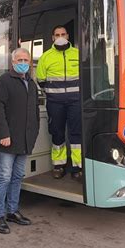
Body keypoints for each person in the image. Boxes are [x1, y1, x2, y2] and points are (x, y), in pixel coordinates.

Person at [0, 48, 40, 234]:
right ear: (12, 62)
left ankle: (12, 211)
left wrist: (33, 134)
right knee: (4, 177)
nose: (24, 62)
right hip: (7, 141)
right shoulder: (4, 81)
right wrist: (3, 134)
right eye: (20, 59)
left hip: (24, 141)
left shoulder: (31, 83)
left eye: (26, 59)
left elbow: (34, 111)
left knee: (18, 177)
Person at [36, 25, 82, 180]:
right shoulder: (46, 57)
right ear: (52, 38)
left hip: (76, 102)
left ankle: (77, 166)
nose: (60, 36)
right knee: (57, 133)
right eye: (57, 34)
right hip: (55, 103)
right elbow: (40, 79)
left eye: (63, 34)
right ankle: (59, 165)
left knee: (76, 134)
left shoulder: (78, 54)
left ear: (68, 36)